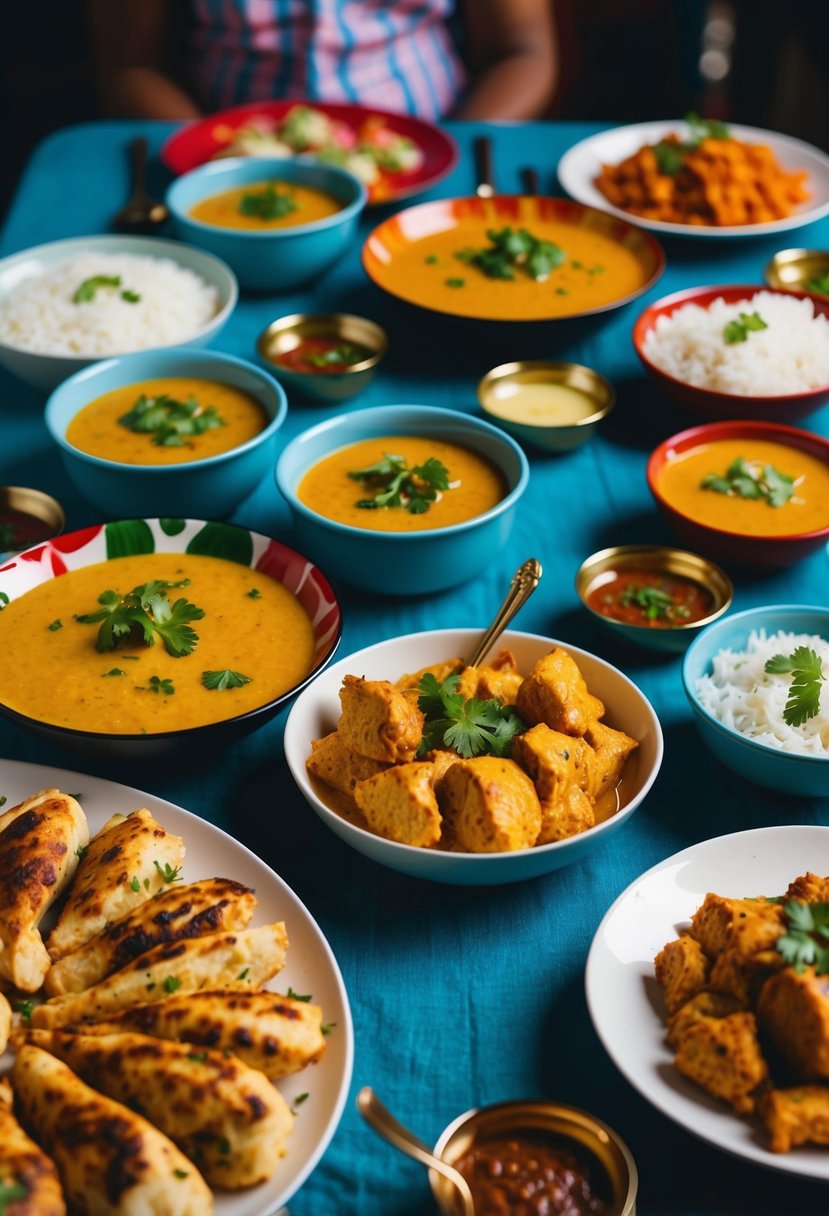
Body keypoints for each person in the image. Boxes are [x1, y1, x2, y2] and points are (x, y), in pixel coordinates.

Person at [87, 0, 557, 123]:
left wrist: (451, 151)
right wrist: (214, 162)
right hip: (222, 130)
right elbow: (131, 67)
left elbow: (523, 51)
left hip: (437, 126)